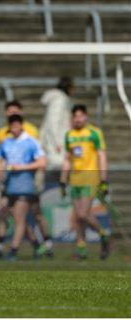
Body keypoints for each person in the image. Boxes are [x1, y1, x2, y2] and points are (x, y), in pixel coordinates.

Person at [0, 101, 53, 259]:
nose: (13, 128)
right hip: (10, 184)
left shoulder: (31, 138)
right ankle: (35, 244)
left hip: (27, 183)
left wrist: (22, 167)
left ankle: (19, 250)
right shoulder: (6, 139)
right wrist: (1, 173)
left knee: (33, 214)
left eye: (16, 124)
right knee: (9, 213)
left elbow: (42, 162)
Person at [60, 105, 110, 260]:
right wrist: (63, 179)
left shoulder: (94, 133)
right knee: (78, 217)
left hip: (91, 177)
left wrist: (103, 179)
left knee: (83, 214)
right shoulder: (69, 135)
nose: (78, 119)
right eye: (75, 116)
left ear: (86, 116)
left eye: (81, 116)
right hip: (75, 179)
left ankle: (103, 235)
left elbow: (102, 156)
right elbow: (68, 159)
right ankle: (81, 248)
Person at [40, 76, 73, 171]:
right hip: (57, 143)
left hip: (57, 141)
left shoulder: (61, 100)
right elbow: (53, 122)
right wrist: (57, 143)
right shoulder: (59, 100)